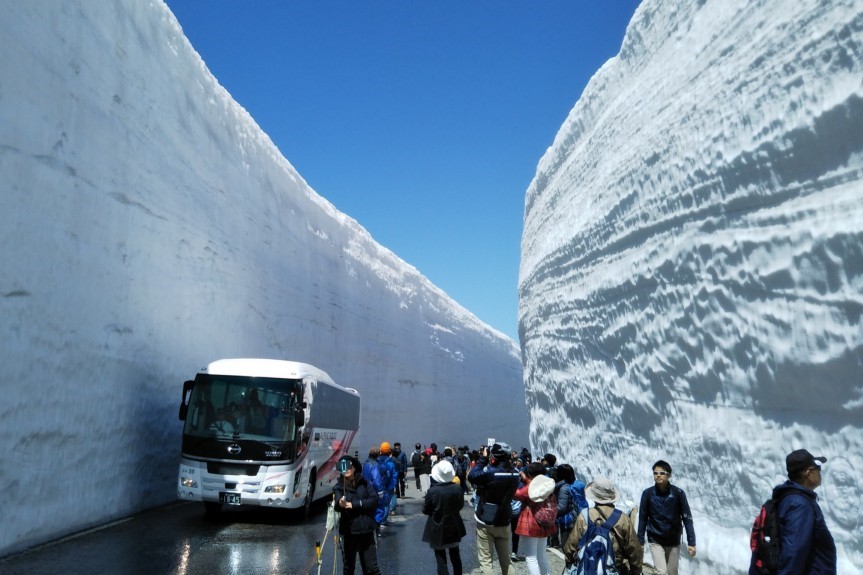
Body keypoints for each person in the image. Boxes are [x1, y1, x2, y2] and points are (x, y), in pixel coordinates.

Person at [750, 449, 836, 575]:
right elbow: (793, 552)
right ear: (809, 473)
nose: (820, 472)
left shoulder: (790, 498)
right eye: (818, 467)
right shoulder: (800, 504)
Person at [564, 476, 643, 575]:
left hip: (587, 568)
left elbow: (571, 546)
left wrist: (570, 562)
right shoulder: (623, 518)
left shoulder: (584, 515)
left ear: (593, 496)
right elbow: (634, 549)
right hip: (613, 568)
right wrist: (636, 570)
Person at [468, 443, 521, 575]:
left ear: (494, 455)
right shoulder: (515, 474)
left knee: (486, 560)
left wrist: (482, 458)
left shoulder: (491, 472)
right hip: (504, 519)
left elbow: (472, 476)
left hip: (486, 519)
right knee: (506, 560)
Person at [637, 460, 695, 575]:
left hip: (673, 539)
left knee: (672, 572)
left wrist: (692, 542)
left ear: (669, 475)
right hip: (655, 538)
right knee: (661, 572)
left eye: (662, 473)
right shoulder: (647, 494)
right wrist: (640, 541)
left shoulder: (678, 493)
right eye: (655, 473)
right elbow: (643, 518)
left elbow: (687, 519)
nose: (658, 475)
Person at [334, 455, 381, 575]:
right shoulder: (339, 486)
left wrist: (355, 504)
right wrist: (341, 503)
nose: (347, 469)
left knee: (372, 568)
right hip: (350, 532)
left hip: (367, 530)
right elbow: (337, 505)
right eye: (343, 467)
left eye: (349, 466)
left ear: (355, 468)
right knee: (349, 568)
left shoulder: (364, 483)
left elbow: (374, 500)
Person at [423, 460, 467, 575]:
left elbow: (425, 510)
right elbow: (460, 505)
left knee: (441, 559)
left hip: (437, 526)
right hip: (454, 525)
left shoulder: (433, 491)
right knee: (455, 556)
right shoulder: (457, 488)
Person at [514, 462, 558, 575]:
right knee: (541, 556)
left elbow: (518, 494)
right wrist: (527, 481)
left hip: (531, 521)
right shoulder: (548, 483)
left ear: (530, 474)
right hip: (544, 521)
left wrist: (521, 481)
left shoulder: (531, 486)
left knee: (531, 557)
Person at [555, 463, 588, 552]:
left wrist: (551, 512)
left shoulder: (564, 488)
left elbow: (562, 507)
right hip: (580, 516)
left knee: (567, 546)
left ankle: (570, 564)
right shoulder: (579, 484)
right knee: (578, 544)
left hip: (567, 520)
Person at [362, 448, 386, 535]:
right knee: (379, 510)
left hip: (365, 490)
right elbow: (376, 479)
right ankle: (376, 529)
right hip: (374, 491)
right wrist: (380, 491)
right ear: (378, 454)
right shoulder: (375, 464)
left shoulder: (365, 463)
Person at [378, 442, 397, 527]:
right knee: (386, 504)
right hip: (389, 486)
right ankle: (383, 521)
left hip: (379, 485)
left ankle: (378, 520)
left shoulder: (377, 461)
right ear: (389, 451)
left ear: (381, 450)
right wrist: (394, 485)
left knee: (378, 503)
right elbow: (394, 475)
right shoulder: (391, 462)